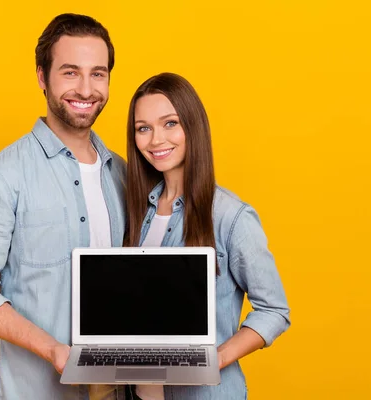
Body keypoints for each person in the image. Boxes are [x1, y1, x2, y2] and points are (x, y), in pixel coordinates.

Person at [0, 13, 126, 400]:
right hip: (36, 391)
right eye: (69, 72)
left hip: (120, 391)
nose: (85, 88)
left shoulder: (125, 176)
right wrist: (51, 349)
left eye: (98, 73)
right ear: (42, 77)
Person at [123, 73, 291, 400]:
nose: (156, 139)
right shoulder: (136, 211)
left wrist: (211, 361)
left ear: (193, 126)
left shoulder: (230, 216)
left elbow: (274, 311)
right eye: (143, 128)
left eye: (170, 123)